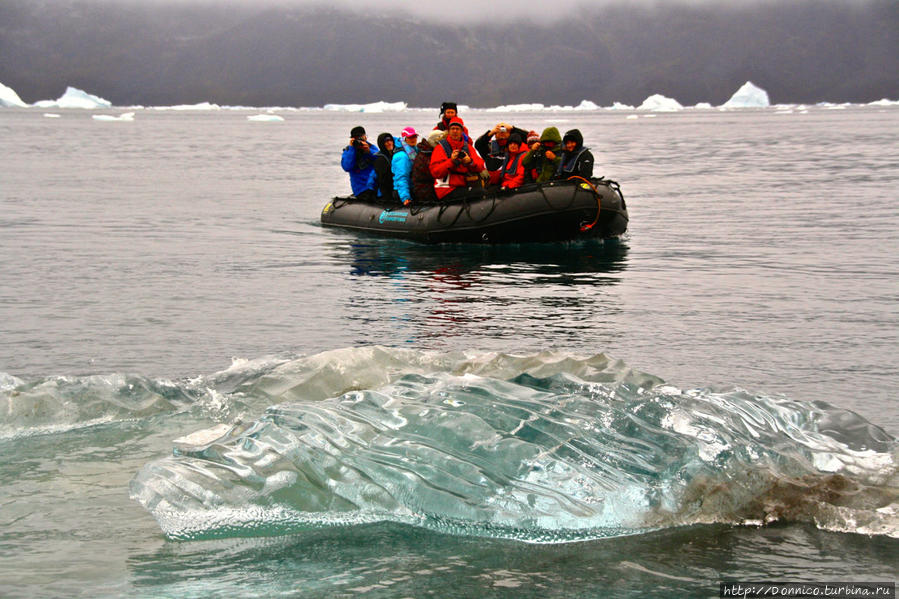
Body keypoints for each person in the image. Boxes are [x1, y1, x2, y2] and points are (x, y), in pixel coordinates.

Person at [429, 117, 485, 201]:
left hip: (463, 186)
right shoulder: (440, 148)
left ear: (462, 131)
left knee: (482, 191)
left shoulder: (468, 147)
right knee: (479, 192)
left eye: (457, 129)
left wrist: (470, 161)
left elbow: (481, 165)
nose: (455, 131)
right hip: (446, 189)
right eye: (452, 129)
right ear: (448, 131)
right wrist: (451, 162)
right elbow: (435, 172)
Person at [340, 125, 379, 200]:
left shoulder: (371, 147)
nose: (360, 140)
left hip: (375, 185)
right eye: (357, 138)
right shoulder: (348, 150)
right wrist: (352, 148)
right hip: (361, 188)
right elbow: (347, 167)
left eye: (361, 137)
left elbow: (380, 161)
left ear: (365, 137)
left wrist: (368, 152)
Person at [410, 129, 445, 205]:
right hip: (425, 191)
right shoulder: (425, 157)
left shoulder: (428, 154)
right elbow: (435, 174)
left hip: (431, 188)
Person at [392, 127, 419, 206]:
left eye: (414, 136)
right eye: (410, 137)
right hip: (401, 192)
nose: (413, 139)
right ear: (404, 139)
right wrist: (405, 197)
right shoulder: (402, 156)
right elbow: (401, 177)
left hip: (411, 188)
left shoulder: (414, 151)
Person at [370, 132, 400, 201]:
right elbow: (382, 181)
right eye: (386, 141)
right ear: (381, 144)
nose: (389, 143)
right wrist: (388, 198)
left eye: (390, 140)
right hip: (385, 193)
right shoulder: (380, 159)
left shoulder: (394, 155)